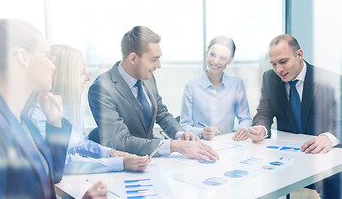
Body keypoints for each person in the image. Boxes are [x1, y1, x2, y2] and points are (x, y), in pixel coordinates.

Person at [0, 8, 107, 199]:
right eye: (47, 56)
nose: (53, 66)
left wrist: (54, 123)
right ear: (23, 57)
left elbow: (52, 175)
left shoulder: (21, 119)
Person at [88, 26, 219, 161]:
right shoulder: (102, 89)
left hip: (150, 159)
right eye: (153, 59)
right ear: (133, 58)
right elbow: (119, 141)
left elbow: (161, 113)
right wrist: (174, 146)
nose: (159, 65)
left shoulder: (147, 78)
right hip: (124, 164)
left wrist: (179, 134)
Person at [248, 34, 341, 199]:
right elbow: (264, 113)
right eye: (273, 64)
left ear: (299, 54)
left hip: (321, 157)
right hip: (286, 156)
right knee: (259, 185)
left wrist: (328, 137)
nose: (279, 69)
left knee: (335, 189)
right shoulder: (269, 78)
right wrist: (261, 128)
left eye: (283, 61)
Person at [31, 44, 150, 173]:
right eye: (82, 73)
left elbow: (79, 142)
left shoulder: (68, 106)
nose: (87, 78)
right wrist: (119, 163)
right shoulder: (36, 115)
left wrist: (112, 153)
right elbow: (62, 163)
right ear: (65, 77)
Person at [180, 36, 252, 140]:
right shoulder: (191, 86)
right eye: (212, 55)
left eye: (223, 58)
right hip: (201, 144)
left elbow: (245, 118)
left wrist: (243, 129)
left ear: (230, 60)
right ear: (207, 53)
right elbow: (184, 125)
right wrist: (201, 132)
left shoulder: (236, 84)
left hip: (229, 143)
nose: (215, 61)